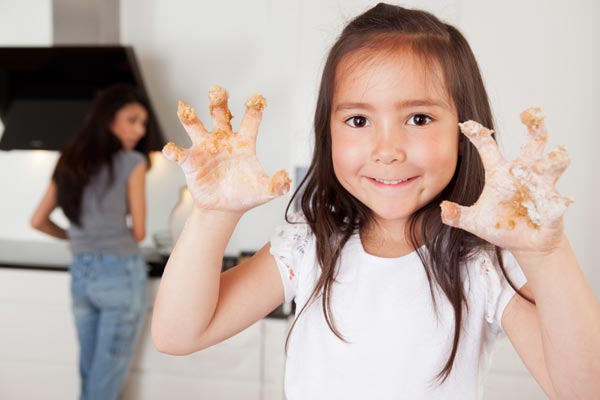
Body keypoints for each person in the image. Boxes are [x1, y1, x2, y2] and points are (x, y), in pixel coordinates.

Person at [151, 4, 600, 399]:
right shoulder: (309, 246)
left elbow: (583, 390)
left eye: (419, 118)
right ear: (328, 133)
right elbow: (177, 334)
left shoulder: (479, 262)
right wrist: (213, 214)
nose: (387, 149)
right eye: (359, 119)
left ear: (466, 131)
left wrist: (546, 252)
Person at [30, 84, 152, 400]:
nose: (140, 130)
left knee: (89, 370)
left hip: (81, 274)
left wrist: (75, 236)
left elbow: (37, 220)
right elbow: (139, 232)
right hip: (120, 275)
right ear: (108, 119)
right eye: (132, 119)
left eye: (143, 123)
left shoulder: (70, 161)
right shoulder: (132, 163)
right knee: (107, 377)